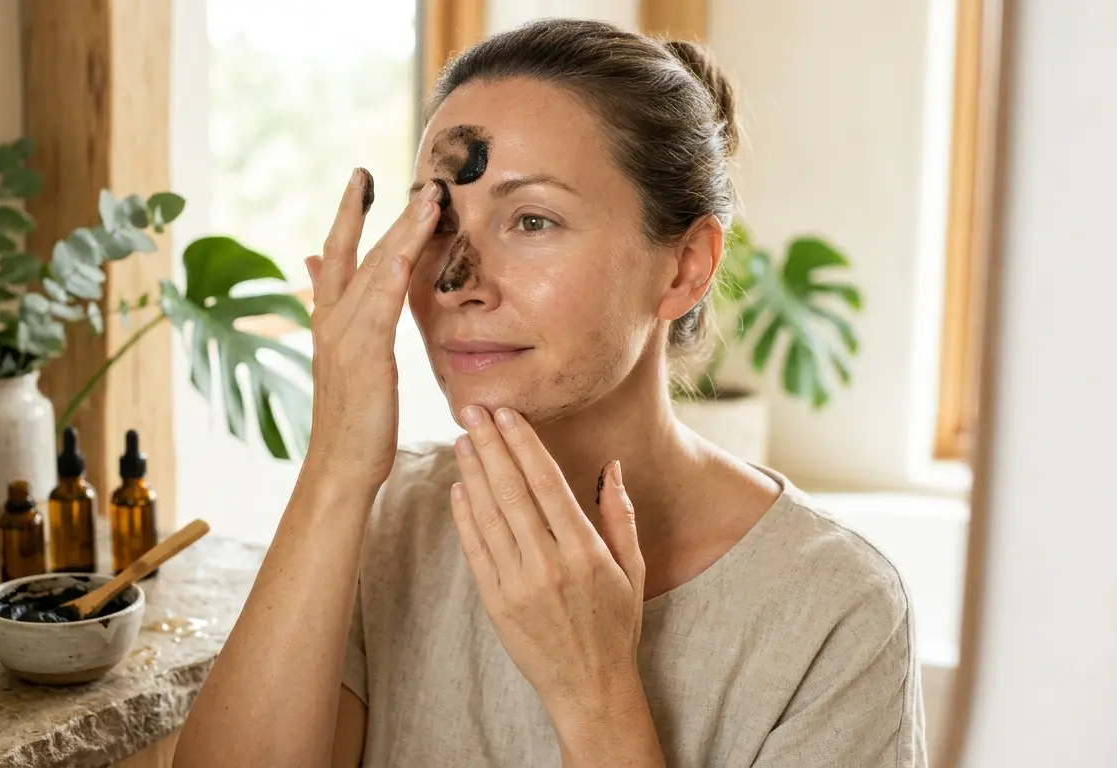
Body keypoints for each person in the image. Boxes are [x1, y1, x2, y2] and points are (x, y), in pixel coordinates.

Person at [175, 18, 926, 768]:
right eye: (438, 221)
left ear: (684, 268)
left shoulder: (837, 612)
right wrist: (337, 466)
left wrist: (595, 697)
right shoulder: (389, 517)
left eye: (531, 220)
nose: (454, 280)